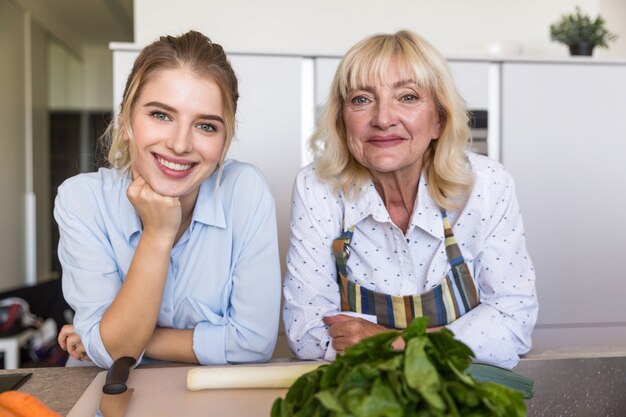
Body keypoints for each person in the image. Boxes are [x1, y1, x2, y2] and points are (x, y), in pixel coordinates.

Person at [282, 30, 538, 369]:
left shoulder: (487, 185)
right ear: (343, 121)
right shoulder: (317, 188)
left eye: (407, 97)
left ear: (439, 121)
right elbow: (307, 333)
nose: (384, 118)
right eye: (362, 99)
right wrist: (459, 337)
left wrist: (397, 342)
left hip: (461, 391)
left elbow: (513, 319)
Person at [55, 30, 281, 368]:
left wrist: (104, 336)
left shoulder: (245, 192)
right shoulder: (81, 201)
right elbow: (115, 354)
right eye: (161, 115)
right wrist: (157, 234)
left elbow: (253, 344)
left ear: (225, 139)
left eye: (206, 126)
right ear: (127, 119)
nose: (179, 144)